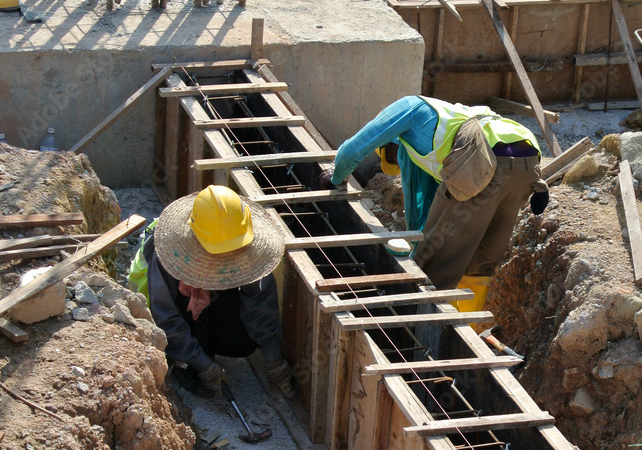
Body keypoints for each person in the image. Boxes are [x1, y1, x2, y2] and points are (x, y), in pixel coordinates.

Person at [321, 95, 549, 306]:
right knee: (481, 261)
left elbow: (353, 149)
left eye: (392, 157)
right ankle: (466, 332)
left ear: (390, 142)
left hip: (483, 162)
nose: (398, 163)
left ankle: (428, 334)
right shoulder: (442, 127)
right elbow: (427, 207)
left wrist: (336, 176)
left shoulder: (408, 108)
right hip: (528, 164)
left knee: (433, 263)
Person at [128, 185, 295, 399]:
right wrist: (201, 363)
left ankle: (204, 346)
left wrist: (273, 358)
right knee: (185, 346)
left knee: (242, 343)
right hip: (177, 310)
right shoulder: (168, 249)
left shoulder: (246, 242)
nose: (228, 256)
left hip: (210, 304)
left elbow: (260, 297)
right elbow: (165, 317)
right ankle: (183, 362)